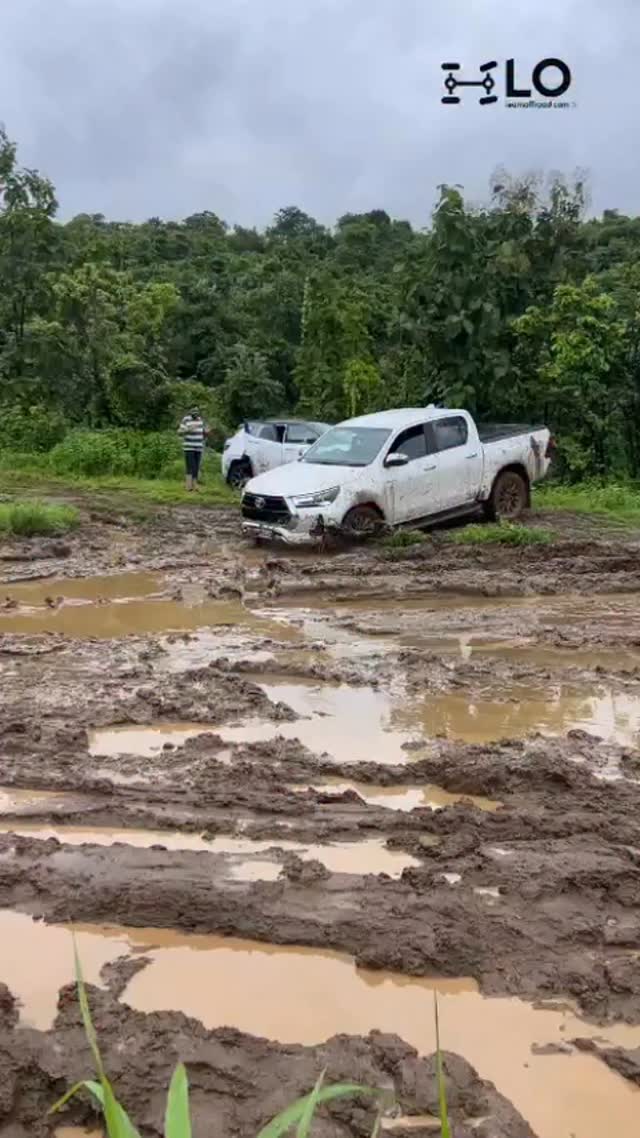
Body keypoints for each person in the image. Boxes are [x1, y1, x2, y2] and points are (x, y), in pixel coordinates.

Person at [177, 407, 209, 491]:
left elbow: (203, 433)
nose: (196, 413)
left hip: (198, 447)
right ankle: (188, 485)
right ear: (190, 412)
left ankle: (195, 485)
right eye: (194, 412)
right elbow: (179, 432)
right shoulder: (186, 419)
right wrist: (188, 429)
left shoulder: (201, 420)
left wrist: (206, 432)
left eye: (197, 412)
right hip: (189, 447)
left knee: (196, 467)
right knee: (190, 466)